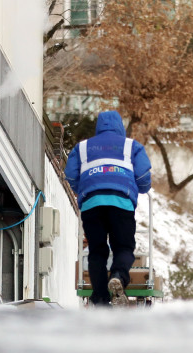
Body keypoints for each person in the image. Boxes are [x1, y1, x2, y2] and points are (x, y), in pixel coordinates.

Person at [64, 110, 152, 307]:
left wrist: (85, 189)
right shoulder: (131, 146)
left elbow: (70, 175)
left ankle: (101, 298)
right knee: (123, 247)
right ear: (120, 126)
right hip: (121, 202)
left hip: (91, 204)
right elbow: (143, 178)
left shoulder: (83, 147)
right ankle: (119, 276)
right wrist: (141, 189)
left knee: (97, 251)